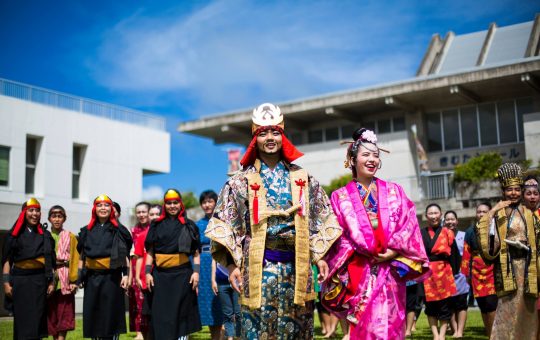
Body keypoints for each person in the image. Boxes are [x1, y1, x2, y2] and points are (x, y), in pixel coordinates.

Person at [205, 103, 342, 339]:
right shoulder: (240, 181)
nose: (270, 138)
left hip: (297, 269)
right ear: (254, 138)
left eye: (275, 132)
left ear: (283, 135)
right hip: (257, 268)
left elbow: (322, 217)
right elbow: (226, 226)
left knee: (297, 328)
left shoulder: (303, 178)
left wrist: (319, 256)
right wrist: (231, 266)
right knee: (256, 329)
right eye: (263, 133)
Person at [321, 128, 430, 339]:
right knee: (363, 327)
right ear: (352, 160)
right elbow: (336, 237)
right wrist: (361, 251)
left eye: (376, 155)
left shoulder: (394, 191)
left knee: (390, 325)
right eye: (366, 155)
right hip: (358, 270)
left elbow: (409, 226)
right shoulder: (339, 197)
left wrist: (392, 251)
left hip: (390, 268)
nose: (372, 159)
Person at [475, 163, 539, 339]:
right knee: (506, 311)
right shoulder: (498, 214)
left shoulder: (529, 214)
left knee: (528, 312)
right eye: (510, 190)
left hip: (527, 269)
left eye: (517, 189)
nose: (514, 193)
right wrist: (494, 210)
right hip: (507, 268)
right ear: (503, 191)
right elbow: (489, 243)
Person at [145, 189, 202, 339]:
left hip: (183, 275)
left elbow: (196, 252)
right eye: (169, 203)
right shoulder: (156, 225)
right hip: (160, 276)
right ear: (165, 205)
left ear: (180, 204)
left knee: (181, 314)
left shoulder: (189, 225)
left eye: (175, 202)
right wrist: (146, 273)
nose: (172, 206)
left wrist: (196, 273)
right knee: (161, 314)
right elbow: (150, 252)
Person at [77, 194, 133, 339]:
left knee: (111, 314)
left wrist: (126, 275)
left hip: (112, 278)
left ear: (111, 209)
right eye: (99, 205)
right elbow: (82, 255)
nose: (103, 208)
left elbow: (124, 255)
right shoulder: (86, 231)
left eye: (106, 205)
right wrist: (79, 275)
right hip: (92, 278)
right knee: (94, 314)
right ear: (94, 209)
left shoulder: (119, 230)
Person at [2, 198, 55, 340]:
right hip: (20, 281)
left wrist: (51, 282)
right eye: (31, 210)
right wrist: (6, 283)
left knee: (38, 320)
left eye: (37, 210)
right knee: (22, 320)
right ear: (24, 213)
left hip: (39, 281)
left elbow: (51, 262)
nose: (35, 214)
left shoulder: (45, 235)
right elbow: (7, 260)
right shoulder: (13, 236)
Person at [197, 190, 242, 340]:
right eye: (204, 202)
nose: (207, 204)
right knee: (210, 303)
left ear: (217, 203)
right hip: (204, 265)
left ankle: (230, 335)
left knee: (232, 305)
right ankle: (215, 336)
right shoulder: (198, 225)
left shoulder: (226, 221)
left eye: (210, 201)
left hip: (224, 262)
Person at [421, 203, 457, 340]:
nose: (433, 216)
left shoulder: (448, 232)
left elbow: (454, 256)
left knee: (444, 306)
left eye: (436, 213)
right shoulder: (421, 233)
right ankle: (435, 335)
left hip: (444, 272)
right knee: (430, 306)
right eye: (430, 213)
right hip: (426, 274)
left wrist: (452, 273)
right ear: (426, 216)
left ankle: (441, 335)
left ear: (441, 214)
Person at [461, 202, 497, 338]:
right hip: (476, 271)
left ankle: (494, 335)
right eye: (479, 211)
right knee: (482, 304)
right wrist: (466, 274)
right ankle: (488, 334)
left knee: (492, 303)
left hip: (493, 269)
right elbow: (466, 253)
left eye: (484, 211)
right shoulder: (470, 231)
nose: (481, 214)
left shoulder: (496, 228)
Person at [47, 205, 79, 340]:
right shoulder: (44, 236)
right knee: (52, 313)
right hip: (48, 278)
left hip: (65, 279)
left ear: (64, 219)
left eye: (60, 216)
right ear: (49, 219)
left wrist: (74, 280)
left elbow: (76, 258)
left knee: (64, 313)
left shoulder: (70, 236)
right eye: (54, 216)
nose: (57, 219)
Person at [444, 210, 469, 338]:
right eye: (447, 219)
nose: (450, 222)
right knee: (450, 306)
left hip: (461, 276)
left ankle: (460, 331)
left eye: (452, 219)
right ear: (444, 221)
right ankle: (455, 330)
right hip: (446, 276)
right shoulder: (441, 236)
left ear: (457, 221)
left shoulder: (464, 235)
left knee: (461, 304)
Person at [128, 202, 151, 340]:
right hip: (136, 270)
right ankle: (139, 334)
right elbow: (131, 256)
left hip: (150, 270)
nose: (141, 215)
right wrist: (131, 276)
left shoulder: (154, 229)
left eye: (144, 212)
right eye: (139, 212)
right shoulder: (133, 231)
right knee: (137, 304)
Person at [522, 176, 540, 339]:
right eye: (529, 193)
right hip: (524, 266)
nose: (532, 196)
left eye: (536, 193)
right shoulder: (517, 215)